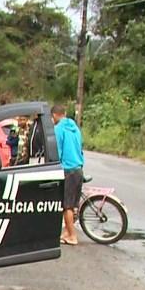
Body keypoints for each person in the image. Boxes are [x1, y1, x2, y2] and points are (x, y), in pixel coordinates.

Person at [53, 104, 84, 246]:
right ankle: (66, 232)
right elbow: (80, 147)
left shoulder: (58, 129)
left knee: (67, 205)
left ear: (54, 115)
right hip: (78, 167)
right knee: (72, 203)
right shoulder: (75, 128)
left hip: (67, 169)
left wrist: (54, 166)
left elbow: (57, 151)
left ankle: (72, 236)